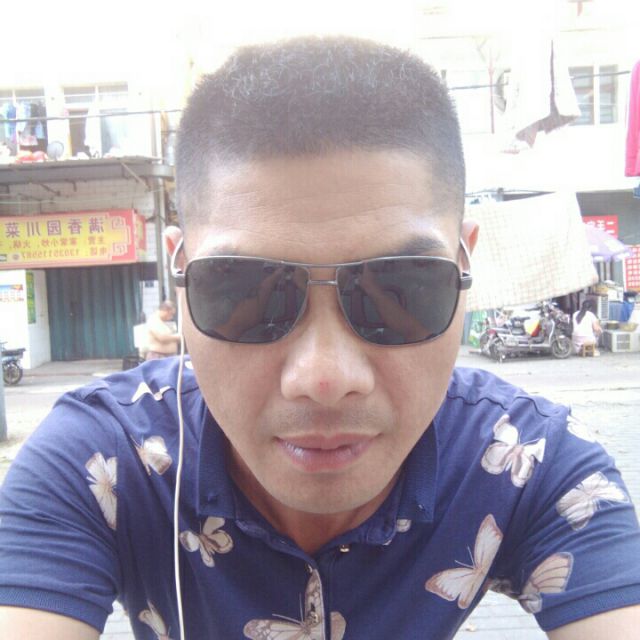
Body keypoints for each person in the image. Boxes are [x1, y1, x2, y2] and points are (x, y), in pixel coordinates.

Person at [1, 37, 639, 640]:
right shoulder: (103, 461)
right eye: (246, 292)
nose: (324, 378)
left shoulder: (524, 460)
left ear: (465, 264)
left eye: (401, 289)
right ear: (180, 273)